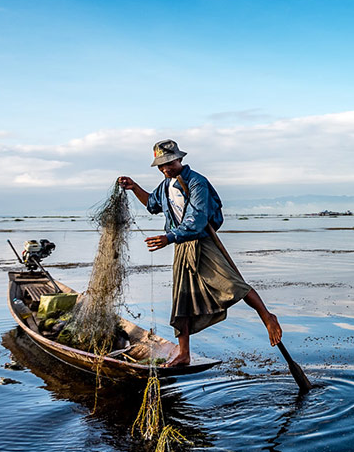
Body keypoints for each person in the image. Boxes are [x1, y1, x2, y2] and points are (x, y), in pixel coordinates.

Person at [118, 139, 282, 367]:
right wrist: (134, 187)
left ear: (180, 159)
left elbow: (197, 220)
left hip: (201, 242)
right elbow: (152, 205)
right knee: (181, 300)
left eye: (169, 163)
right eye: (161, 165)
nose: (165, 168)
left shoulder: (197, 183)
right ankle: (184, 353)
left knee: (232, 284)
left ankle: (267, 316)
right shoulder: (165, 186)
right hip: (181, 247)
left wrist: (169, 237)